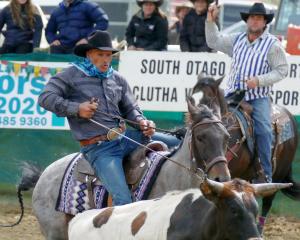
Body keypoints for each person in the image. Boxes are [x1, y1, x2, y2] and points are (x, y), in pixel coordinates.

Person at [38, 30, 180, 206]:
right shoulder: (70, 75)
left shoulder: (118, 79)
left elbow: (131, 109)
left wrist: (143, 122)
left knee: (181, 146)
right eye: (101, 55)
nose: (106, 59)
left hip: (127, 138)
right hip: (100, 149)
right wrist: (77, 109)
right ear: (89, 54)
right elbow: (45, 98)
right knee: (123, 200)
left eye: (108, 55)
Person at [205, 2, 288, 183]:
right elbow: (213, 41)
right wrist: (210, 20)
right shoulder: (237, 40)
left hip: (257, 98)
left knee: (264, 130)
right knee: (208, 120)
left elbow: (282, 70)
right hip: (231, 95)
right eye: (252, 17)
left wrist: (258, 80)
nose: (255, 21)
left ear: (265, 22)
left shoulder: (272, 45)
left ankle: (264, 174)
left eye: (259, 18)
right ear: (247, 20)